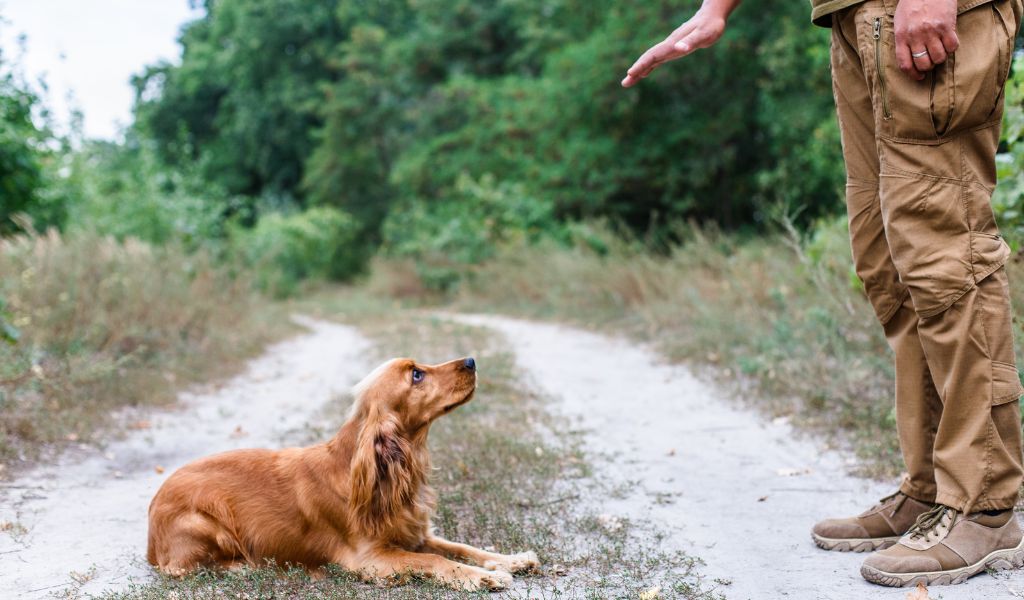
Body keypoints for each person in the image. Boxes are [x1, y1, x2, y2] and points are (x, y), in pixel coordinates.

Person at [623, 0, 1024, 588]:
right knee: (889, 263)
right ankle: (933, 489)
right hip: (856, 16)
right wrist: (717, 8)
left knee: (946, 253)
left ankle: (985, 505)